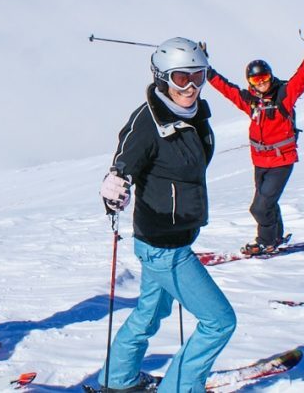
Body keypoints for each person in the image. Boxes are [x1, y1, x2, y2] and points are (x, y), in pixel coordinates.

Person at [97, 37, 237, 393]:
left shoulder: (194, 113)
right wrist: (115, 183)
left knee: (150, 313)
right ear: (161, 78)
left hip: (169, 239)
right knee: (219, 322)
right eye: (180, 78)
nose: (190, 87)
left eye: (198, 76)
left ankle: (117, 380)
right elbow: (124, 160)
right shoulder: (148, 121)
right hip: (163, 246)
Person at [206, 23, 304, 255]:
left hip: (281, 161)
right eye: (255, 80)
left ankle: (266, 241)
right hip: (260, 161)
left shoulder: (284, 96)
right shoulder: (250, 102)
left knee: (259, 208)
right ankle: (276, 235)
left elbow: (302, 75)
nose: (260, 82)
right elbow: (226, 89)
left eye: (264, 77)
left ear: (271, 77)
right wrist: (206, 69)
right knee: (267, 203)